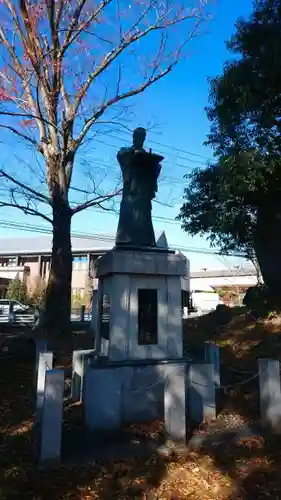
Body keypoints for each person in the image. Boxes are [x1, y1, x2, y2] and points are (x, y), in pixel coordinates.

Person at [115, 128, 163, 248]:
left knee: (144, 214)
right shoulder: (125, 150)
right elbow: (122, 157)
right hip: (132, 188)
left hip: (144, 188)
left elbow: (154, 170)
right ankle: (126, 239)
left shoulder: (146, 153)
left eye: (143, 137)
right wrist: (133, 156)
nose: (141, 139)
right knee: (129, 212)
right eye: (138, 136)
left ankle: (146, 240)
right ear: (134, 137)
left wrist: (155, 166)